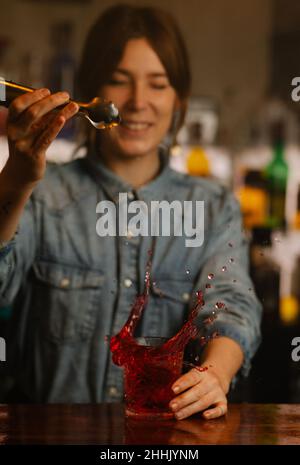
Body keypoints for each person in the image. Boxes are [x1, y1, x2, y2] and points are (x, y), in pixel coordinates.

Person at [0, 4, 261, 420]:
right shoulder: (43, 192)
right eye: (119, 82)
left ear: (180, 99)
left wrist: (216, 372)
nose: (138, 102)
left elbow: (231, 305)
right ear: (90, 92)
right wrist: (16, 180)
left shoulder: (212, 207)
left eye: (158, 84)